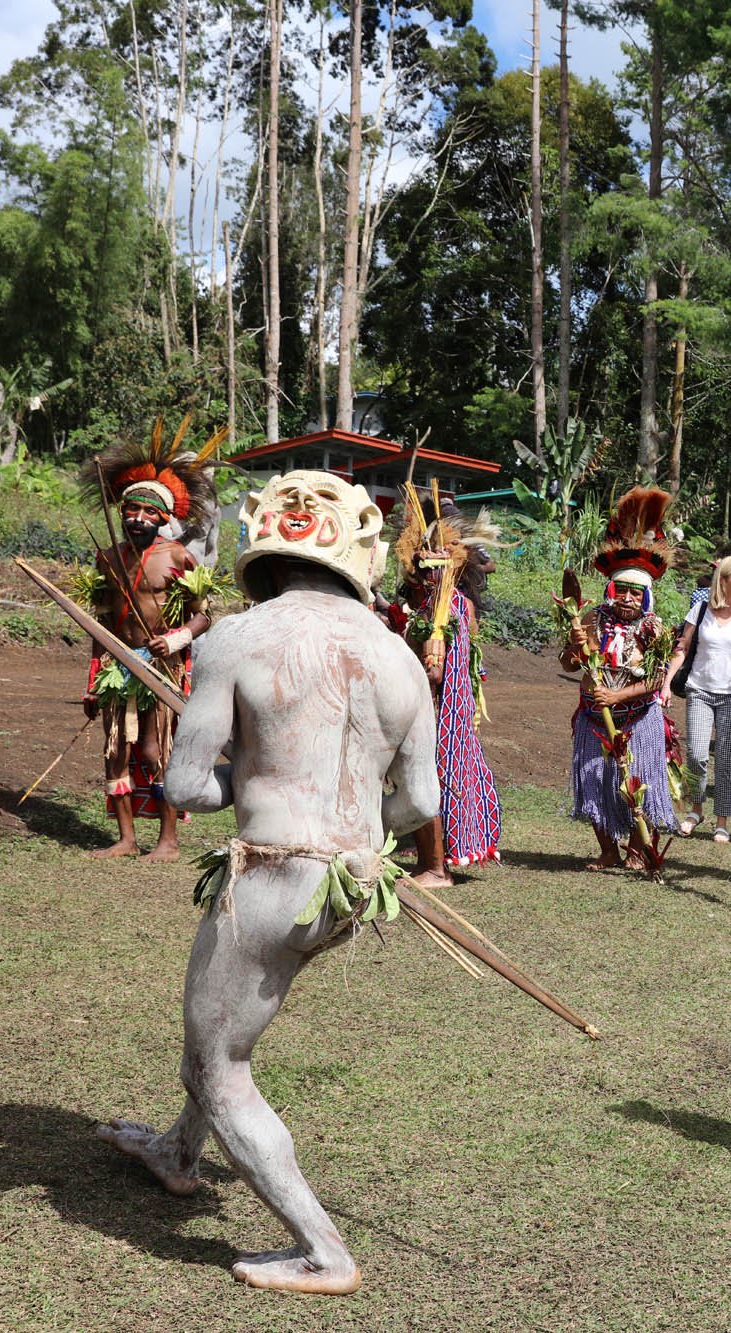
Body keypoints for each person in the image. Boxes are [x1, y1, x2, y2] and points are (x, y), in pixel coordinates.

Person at [99, 469, 437, 1294]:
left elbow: (182, 789)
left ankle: (325, 1250)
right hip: (353, 888)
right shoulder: (399, 654)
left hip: (273, 877)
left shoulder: (238, 640)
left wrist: (248, 783)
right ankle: (178, 1152)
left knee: (217, 1067)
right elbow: (422, 802)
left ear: (271, 551)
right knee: (220, 1033)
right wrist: (347, 832)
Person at [77, 417, 225, 862]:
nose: (136, 519)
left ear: (162, 518)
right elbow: (99, 624)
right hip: (117, 666)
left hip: (161, 666)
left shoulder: (177, 557)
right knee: (116, 752)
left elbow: (205, 617)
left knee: (155, 748)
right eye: (130, 511)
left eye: (147, 513)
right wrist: (92, 679)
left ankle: (169, 842)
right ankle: (125, 840)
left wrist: (177, 639)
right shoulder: (108, 559)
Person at [384, 491, 507, 885]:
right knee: (435, 777)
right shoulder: (453, 604)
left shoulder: (441, 607)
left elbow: (433, 672)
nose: (416, 570)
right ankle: (432, 862)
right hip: (452, 711)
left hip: (438, 709)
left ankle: (435, 867)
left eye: (423, 564)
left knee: (429, 778)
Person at [560, 488, 681, 870]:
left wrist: (619, 696)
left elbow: (658, 677)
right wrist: (576, 646)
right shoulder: (593, 618)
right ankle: (608, 850)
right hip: (594, 718)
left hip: (637, 717)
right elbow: (568, 664)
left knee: (638, 782)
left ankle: (635, 849)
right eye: (621, 590)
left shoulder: (654, 629)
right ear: (610, 590)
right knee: (596, 780)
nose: (628, 598)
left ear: (646, 597)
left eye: (635, 592)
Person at [665, 556, 731, 843]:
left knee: (724, 758)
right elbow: (682, 648)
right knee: (696, 753)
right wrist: (666, 684)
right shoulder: (700, 610)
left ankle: (721, 821)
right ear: (723, 579)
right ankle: (696, 809)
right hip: (699, 689)